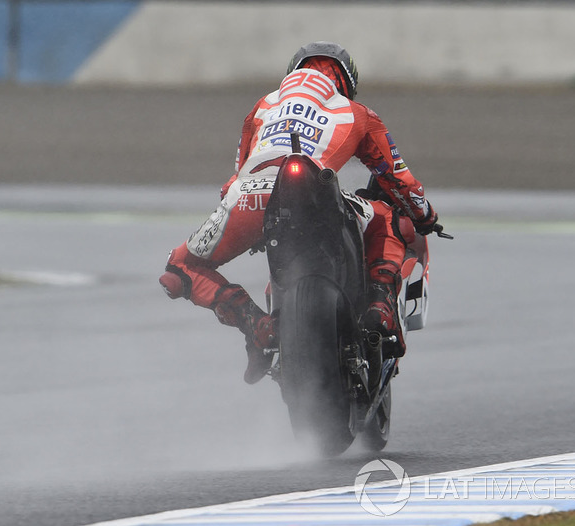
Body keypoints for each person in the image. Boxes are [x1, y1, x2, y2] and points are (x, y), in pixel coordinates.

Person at [158, 42, 439, 384]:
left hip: (250, 195)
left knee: (179, 267)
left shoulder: (262, 106)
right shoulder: (356, 112)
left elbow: (234, 178)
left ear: (291, 72)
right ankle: (380, 303)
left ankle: (256, 325)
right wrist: (425, 216)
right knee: (388, 218)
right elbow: (399, 181)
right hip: (319, 192)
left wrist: (243, 223)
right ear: (347, 80)